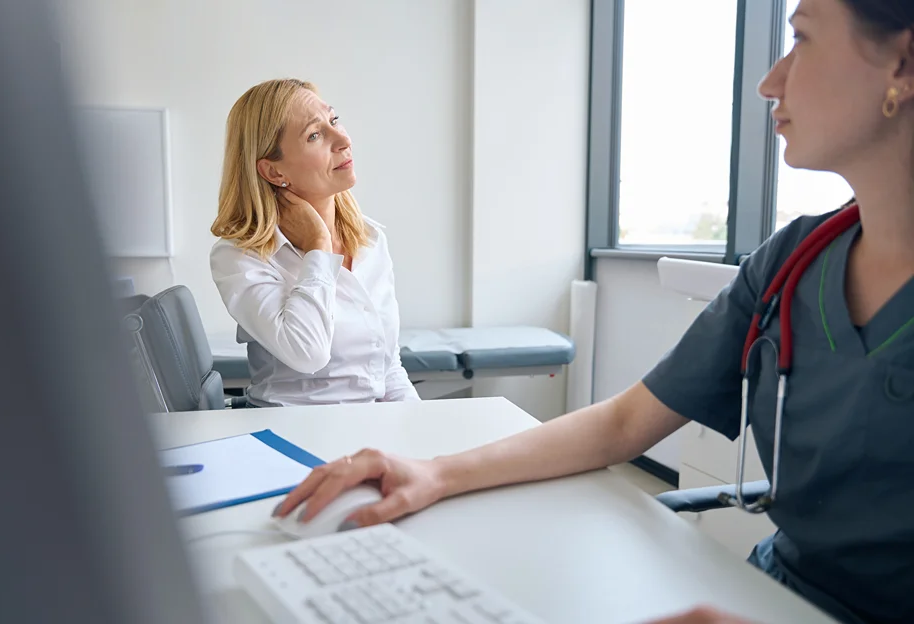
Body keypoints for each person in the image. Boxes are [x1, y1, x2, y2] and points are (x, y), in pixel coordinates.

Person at [274, 0, 914, 622]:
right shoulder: (792, 263)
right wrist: (433, 473)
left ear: (901, 65)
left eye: (800, 37)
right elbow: (624, 422)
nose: (769, 82)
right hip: (774, 591)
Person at [210, 79, 419, 407]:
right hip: (294, 436)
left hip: (368, 437)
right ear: (272, 170)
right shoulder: (239, 257)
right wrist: (318, 246)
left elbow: (388, 368)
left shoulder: (371, 240)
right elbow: (307, 353)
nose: (343, 139)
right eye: (315, 135)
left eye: (334, 121)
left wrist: (425, 434)